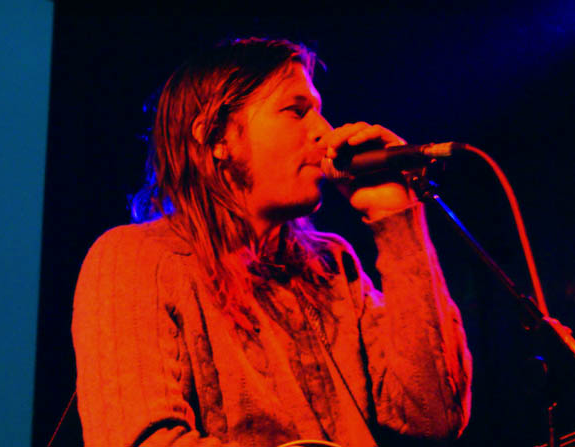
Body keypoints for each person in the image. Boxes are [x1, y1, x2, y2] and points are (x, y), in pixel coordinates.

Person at [71, 37, 472, 447]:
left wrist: (397, 219)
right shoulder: (136, 259)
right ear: (215, 139)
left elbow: (433, 417)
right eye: (296, 111)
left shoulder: (332, 265)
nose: (324, 131)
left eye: (317, 111)